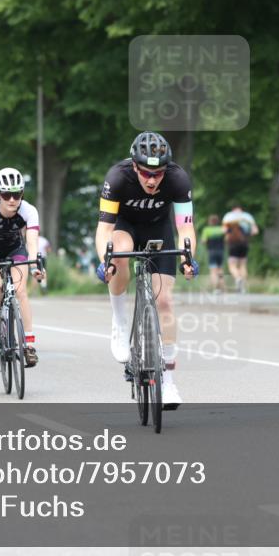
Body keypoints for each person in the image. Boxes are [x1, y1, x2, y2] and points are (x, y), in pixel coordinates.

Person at [95, 132, 197, 409]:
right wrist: (105, 261)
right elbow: (104, 229)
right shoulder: (117, 177)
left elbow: (186, 227)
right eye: (146, 173)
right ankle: (119, 321)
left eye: (158, 173)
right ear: (134, 166)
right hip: (124, 227)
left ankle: (169, 381)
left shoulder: (178, 178)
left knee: (165, 301)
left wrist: (188, 259)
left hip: (159, 229)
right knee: (119, 256)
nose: (152, 180)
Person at [0, 168, 46, 367]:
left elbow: (32, 242)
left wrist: (35, 266)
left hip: (15, 249)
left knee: (20, 290)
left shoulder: (29, 211)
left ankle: (29, 345)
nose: (12, 200)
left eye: (17, 194)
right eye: (7, 195)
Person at [222, 204, 258, 293]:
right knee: (243, 265)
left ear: (233, 209)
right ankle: (243, 288)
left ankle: (238, 278)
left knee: (232, 265)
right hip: (244, 243)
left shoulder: (228, 217)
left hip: (233, 244)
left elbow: (224, 231)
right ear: (241, 209)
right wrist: (247, 235)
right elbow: (255, 231)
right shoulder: (248, 217)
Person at [201, 214, 226, 293]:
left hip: (211, 251)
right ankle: (222, 288)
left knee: (213, 271)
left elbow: (203, 241)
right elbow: (226, 239)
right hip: (221, 251)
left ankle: (216, 289)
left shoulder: (207, 230)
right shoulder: (221, 229)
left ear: (210, 221)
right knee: (220, 269)